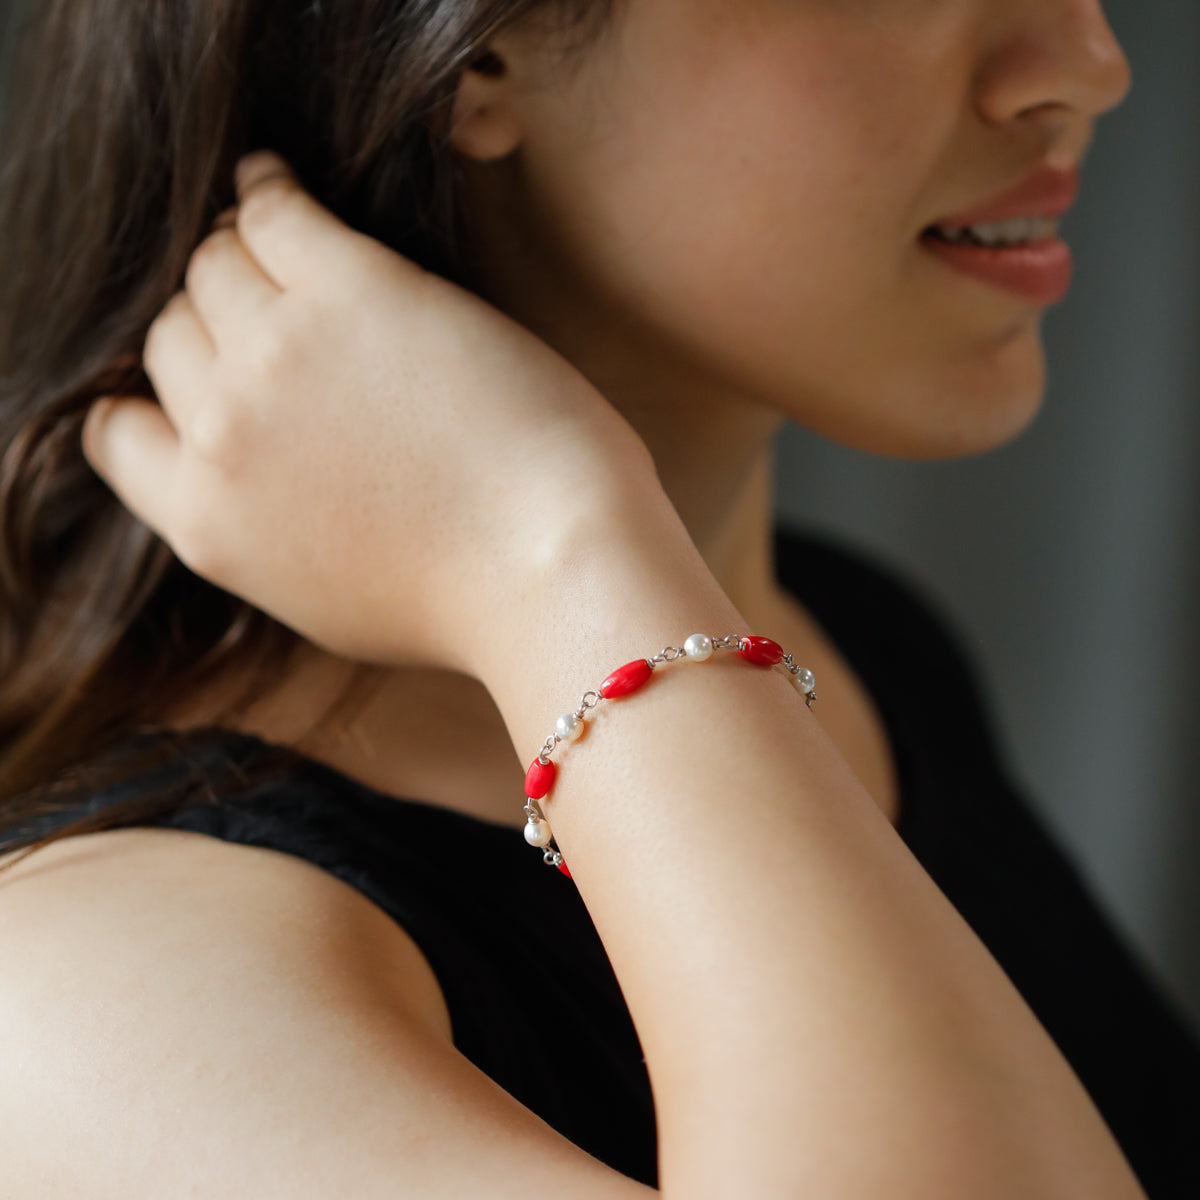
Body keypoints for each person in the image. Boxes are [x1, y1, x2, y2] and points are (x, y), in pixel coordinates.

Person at [0, 0, 1196, 1196]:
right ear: (479, 51)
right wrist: (542, 548)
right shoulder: (105, 998)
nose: (1088, 66)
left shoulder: (858, 648)